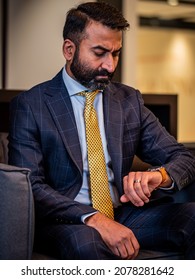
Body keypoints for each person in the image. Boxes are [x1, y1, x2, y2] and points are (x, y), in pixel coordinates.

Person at [8, 1, 195, 260]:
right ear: (69, 49)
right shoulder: (31, 105)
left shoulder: (129, 101)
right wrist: (94, 218)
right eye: (99, 52)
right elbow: (31, 186)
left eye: (116, 53)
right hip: (66, 222)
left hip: (125, 214)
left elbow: (185, 159)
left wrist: (159, 177)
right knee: (88, 242)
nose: (110, 65)